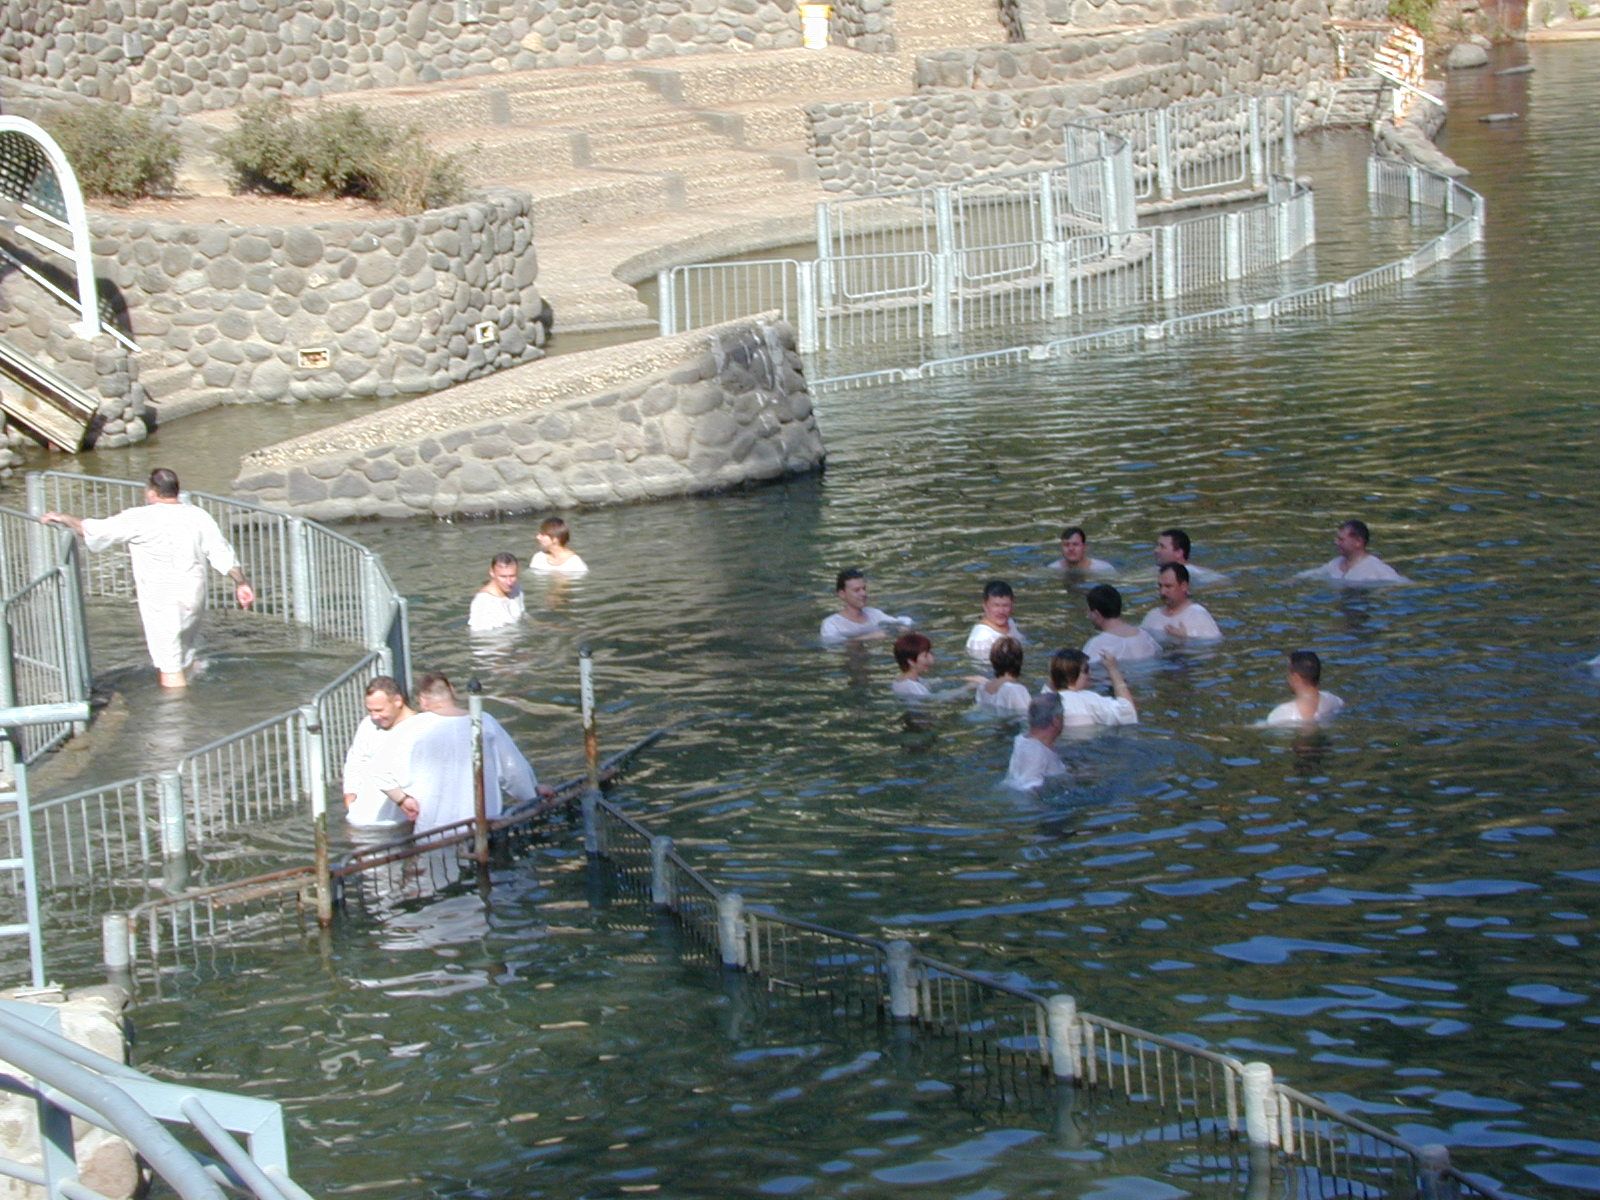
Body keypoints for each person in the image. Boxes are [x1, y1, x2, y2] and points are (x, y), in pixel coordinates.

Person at [41, 467, 255, 689]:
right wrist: (241, 583)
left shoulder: (140, 518)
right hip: (194, 596)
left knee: (169, 665)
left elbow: (93, 530)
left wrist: (63, 518)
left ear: (152, 492)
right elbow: (222, 554)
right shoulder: (199, 516)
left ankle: (179, 708)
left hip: (163, 600)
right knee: (186, 651)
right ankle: (190, 687)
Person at [377, 672, 545, 833]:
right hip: (484, 825)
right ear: (452, 691)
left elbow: (379, 772)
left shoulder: (411, 728)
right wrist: (533, 793)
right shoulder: (485, 722)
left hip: (433, 831)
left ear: (422, 701)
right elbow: (514, 772)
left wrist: (403, 800)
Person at [342, 676, 414, 827]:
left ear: (398, 701)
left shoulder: (419, 728)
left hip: (400, 823)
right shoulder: (367, 725)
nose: (374, 716)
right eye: (370, 710)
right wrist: (350, 792)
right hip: (360, 820)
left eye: (379, 710)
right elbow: (356, 760)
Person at [1043, 649, 1138, 728]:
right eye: (1087, 669)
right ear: (1073, 674)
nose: (1090, 673)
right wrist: (1113, 669)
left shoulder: (1044, 700)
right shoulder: (1089, 700)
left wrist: (1057, 669)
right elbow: (1127, 712)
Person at [1297, 519, 1410, 584]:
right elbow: (1313, 574)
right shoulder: (1335, 564)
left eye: (1341, 539)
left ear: (1358, 542)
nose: (1336, 542)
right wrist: (1293, 580)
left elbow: (1402, 584)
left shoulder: (1377, 569)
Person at [821, 567, 911, 644]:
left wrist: (901, 629)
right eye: (857, 590)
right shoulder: (831, 624)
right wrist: (868, 638)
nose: (863, 593)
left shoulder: (875, 614)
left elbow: (903, 623)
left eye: (864, 589)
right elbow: (834, 646)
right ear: (842, 594)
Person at [1081, 584, 1162, 665]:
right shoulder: (1146, 637)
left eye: (1089, 612)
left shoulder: (1096, 645)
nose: (1088, 616)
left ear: (1096, 614)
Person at [1141, 562, 1223, 641]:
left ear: (1184, 586)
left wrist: (1185, 639)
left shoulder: (1199, 616)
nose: (1162, 592)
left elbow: (1212, 646)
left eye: (1168, 586)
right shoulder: (1152, 615)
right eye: (1160, 586)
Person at [1004, 692, 1067, 792]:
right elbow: (1028, 788)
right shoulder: (1036, 752)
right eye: (1063, 715)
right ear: (1056, 720)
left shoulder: (1023, 741)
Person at [891, 632, 982, 701]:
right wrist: (967, 688)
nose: (931, 658)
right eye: (925, 656)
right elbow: (935, 699)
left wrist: (959, 679)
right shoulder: (912, 687)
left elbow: (929, 683)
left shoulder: (900, 680)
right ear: (911, 661)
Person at [1263, 650, 1344, 727]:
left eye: (1289, 673)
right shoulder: (1335, 701)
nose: (1287, 678)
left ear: (1296, 677)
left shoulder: (1281, 714)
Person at [965, 579, 1026, 663]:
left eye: (1005, 605)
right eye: (996, 605)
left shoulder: (1010, 622)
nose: (1001, 611)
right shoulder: (981, 639)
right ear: (985, 606)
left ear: (1012, 605)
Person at [468, 552, 525, 632]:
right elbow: (480, 635)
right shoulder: (483, 603)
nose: (509, 582)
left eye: (512, 576)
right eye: (503, 577)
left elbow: (522, 614)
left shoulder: (516, 588)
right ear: (492, 573)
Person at [974, 637, 1030, 716]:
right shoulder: (1016, 690)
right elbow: (1028, 717)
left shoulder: (982, 687)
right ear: (1020, 661)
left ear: (993, 660)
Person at [1155, 527, 1225, 585]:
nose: (1156, 550)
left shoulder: (1195, 573)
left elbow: (1223, 582)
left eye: (1162, 547)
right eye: (1157, 546)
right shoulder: (1161, 570)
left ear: (1178, 553)